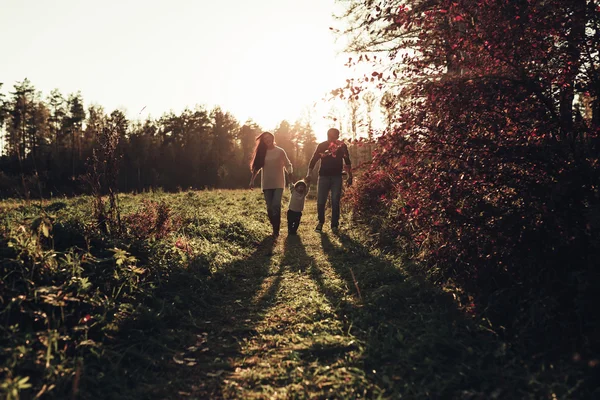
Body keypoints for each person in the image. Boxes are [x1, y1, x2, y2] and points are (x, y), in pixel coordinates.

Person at [305, 128, 352, 233]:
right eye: (331, 136)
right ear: (327, 135)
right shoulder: (322, 146)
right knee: (321, 201)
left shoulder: (342, 146)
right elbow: (314, 160)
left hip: (337, 177)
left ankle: (334, 225)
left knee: (335, 201)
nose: (333, 138)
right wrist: (309, 173)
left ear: (338, 136)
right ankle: (320, 222)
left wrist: (350, 176)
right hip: (323, 177)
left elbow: (347, 161)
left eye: (335, 136)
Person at [249, 131, 293, 237]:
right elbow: (256, 168)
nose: (267, 140)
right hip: (267, 184)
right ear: (263, 141)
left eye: (269, 137)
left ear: (273, 138)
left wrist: (290, 176)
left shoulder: (280, 151)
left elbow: (288, 164)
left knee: (276, 205)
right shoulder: (262, 152)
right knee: (269, 208)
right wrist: (252, 180)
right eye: (265, 139)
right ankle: (274, 226)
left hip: (279, 183)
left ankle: (276, 230)